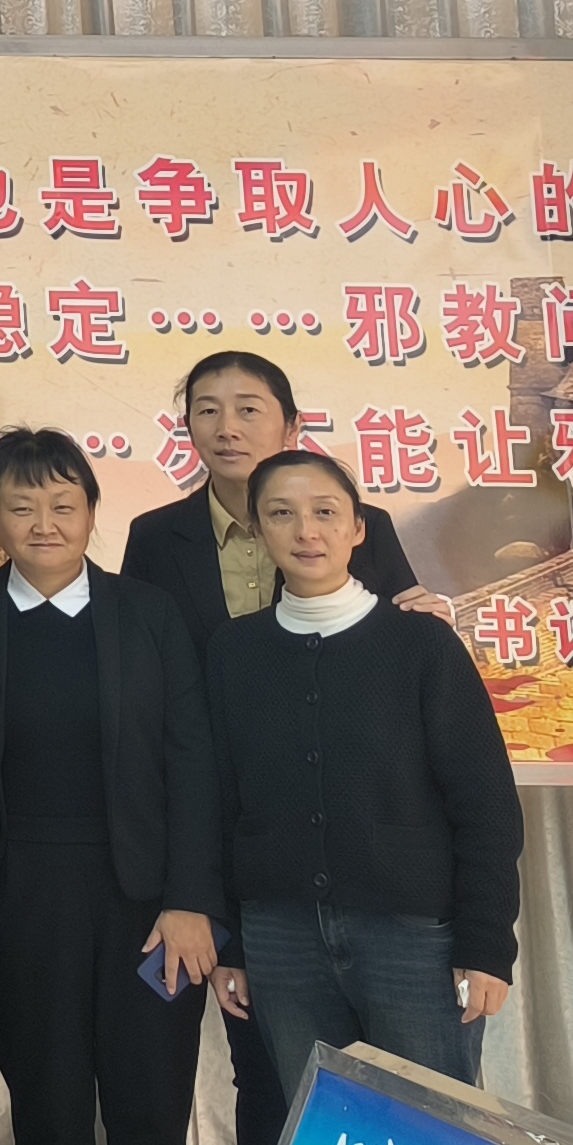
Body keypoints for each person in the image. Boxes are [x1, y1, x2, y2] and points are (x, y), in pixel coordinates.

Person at [120, 349, 425, 1145]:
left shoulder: (358, 522)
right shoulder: (155, 539)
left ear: (291, 425)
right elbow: (149, 688)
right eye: (207, 409)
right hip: (233, 830)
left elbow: (399, 647)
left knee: (391, 1085)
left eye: (249, 408)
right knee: (266, 1069)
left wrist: (429, 617)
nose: (227, 427)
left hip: (352, 841)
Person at [0, 428, 218, 1145]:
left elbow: (194, 763)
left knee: (151, 1126)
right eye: (22, 505)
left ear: (90, 512)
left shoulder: (147, 616)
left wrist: (191, 899)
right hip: (16, 916)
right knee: (51, 1125)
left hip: (146, 920)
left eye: (62, 503)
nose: (44, 522)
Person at [206, 450, 522, 1100]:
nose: (306, 531)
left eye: (325, 513)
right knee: (325, 1132)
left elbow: (485, 802)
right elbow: (222, 804)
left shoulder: (422, 644)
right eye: (281, 514)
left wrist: (487, 945)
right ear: (259, 531)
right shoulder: (234, 652)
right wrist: (231, 942)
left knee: (431, 1128)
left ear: (357, 529)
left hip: (411, 938)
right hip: (281, 937)